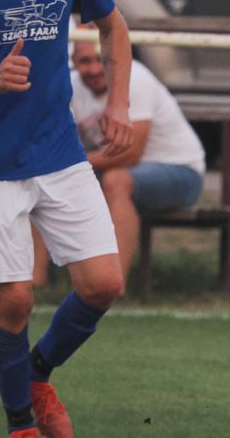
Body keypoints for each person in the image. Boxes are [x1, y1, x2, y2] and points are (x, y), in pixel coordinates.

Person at [0, 0, 133, 438]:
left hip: (56, 149)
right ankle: (20, 425)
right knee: (15, 299)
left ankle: (37, 373)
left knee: (104, 283)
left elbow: (113, 26)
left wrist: (120, 104)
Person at [33, 33, 205, 283]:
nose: (92, 69)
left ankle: (112, 286)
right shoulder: (70, 86)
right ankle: (32, 285)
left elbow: (130, 153)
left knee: (116, 180)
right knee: (41, 182)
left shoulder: (135, 77)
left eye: (99, 60)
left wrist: (66, 164)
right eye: (84, 61)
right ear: (73, 61)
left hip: (181, 172)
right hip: (114, 169)